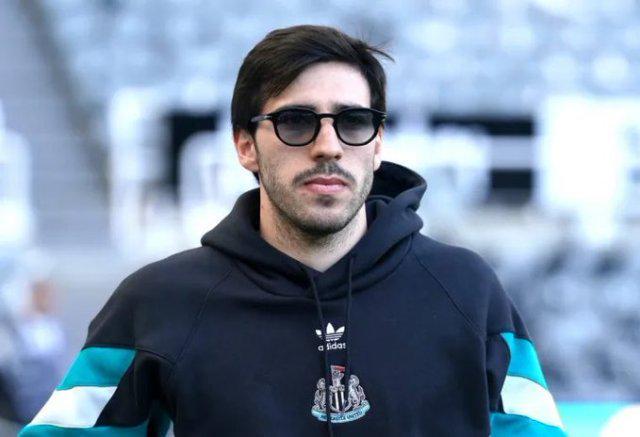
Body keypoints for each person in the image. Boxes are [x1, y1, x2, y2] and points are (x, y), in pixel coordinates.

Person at [20, 25, 566, 436]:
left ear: (377, 144)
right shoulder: (158, 303)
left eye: (353, 122)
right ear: (245, 145)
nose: (329, 146)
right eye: (296, 121)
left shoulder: (466, 291)